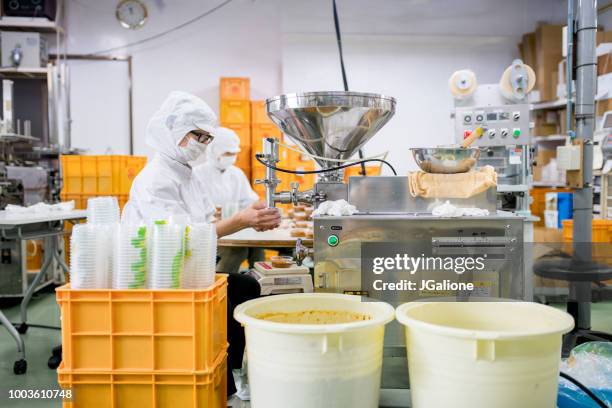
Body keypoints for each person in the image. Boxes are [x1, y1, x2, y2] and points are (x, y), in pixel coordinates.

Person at [122, 91, 280, 399]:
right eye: (199, 136)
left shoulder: (186, 175)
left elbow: (206, 221)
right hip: (163, 280)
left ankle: (237, 371)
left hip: (189, 271)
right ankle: (225, 384)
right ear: (175, 129)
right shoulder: (156, 179)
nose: (203, 145)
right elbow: (181, 237)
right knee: (229, 303)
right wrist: (242, 221)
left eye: (208, 139)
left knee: (248, 287)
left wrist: (251, 214)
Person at [193, 127, 264, 274]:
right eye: (227, 153)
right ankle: (224, 287)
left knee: (258, 249)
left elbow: (249, 201)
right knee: (237, 251)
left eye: (234, 154)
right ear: (214, 152)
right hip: (214, 233)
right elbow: (198, 213)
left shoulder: (236, 174)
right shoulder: (197, 174)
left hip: (238, 229)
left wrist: (260, 207)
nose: (231, 157)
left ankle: (259, 287)